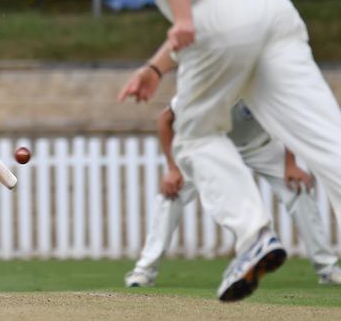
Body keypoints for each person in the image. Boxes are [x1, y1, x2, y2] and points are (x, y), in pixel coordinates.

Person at [64, 0, 341, 302]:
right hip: (269, 5)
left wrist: (186, 19)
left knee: (193, 136)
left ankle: (254, 236)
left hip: (218, 14)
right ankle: (256, 237)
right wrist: (156, 66)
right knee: (328, 140)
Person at [126, 99, 341, 288]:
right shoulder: (208, 81)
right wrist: (172, 169)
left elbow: (289, 121)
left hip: (259, 146)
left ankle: (327, 268)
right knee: (172, 194)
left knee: (298, 189)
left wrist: (290, 164)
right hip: (210, 147)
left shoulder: (263, 80)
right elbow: (165, 119)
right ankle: (144, 271)